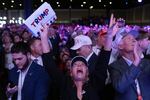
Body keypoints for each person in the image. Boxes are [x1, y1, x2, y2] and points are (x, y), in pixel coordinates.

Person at [109, 32, 150, 100]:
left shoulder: (147, 63)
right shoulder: (114, 66)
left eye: (134, 39)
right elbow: (120, 87)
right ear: (120, 46)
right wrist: (135, 62)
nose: (134, 40)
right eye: (129, 39)